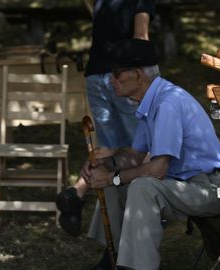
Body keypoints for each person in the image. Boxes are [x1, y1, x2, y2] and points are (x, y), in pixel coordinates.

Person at [81, 38, 220, 270]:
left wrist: (114, 176)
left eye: (116, 74)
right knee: (115, 183)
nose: (111, 80)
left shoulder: (167, 104)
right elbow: (134, 156)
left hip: (215, 189)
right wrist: (107, 164)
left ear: (138, 75)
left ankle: (136, 267)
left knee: (143, 187)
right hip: (185, 183)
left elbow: (157, 169)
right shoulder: (150, 101)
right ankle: (112, 257)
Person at [55, 0, 156, 237]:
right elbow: (141, 36)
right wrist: (148, 78)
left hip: (95, 74)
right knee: (143, 151)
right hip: (123, 76)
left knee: (110, 151)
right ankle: (137, 229)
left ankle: (78, 193)